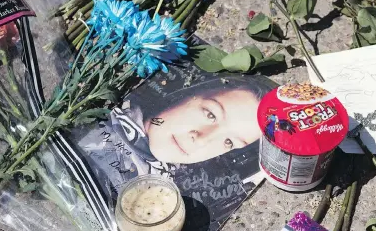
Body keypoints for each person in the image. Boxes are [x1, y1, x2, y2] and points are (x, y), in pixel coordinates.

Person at [77, 73, 274, 179]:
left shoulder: (165, 195)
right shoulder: (96, 108)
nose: (202, 139)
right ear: (189, 93)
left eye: (229, 142)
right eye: (210, 114)